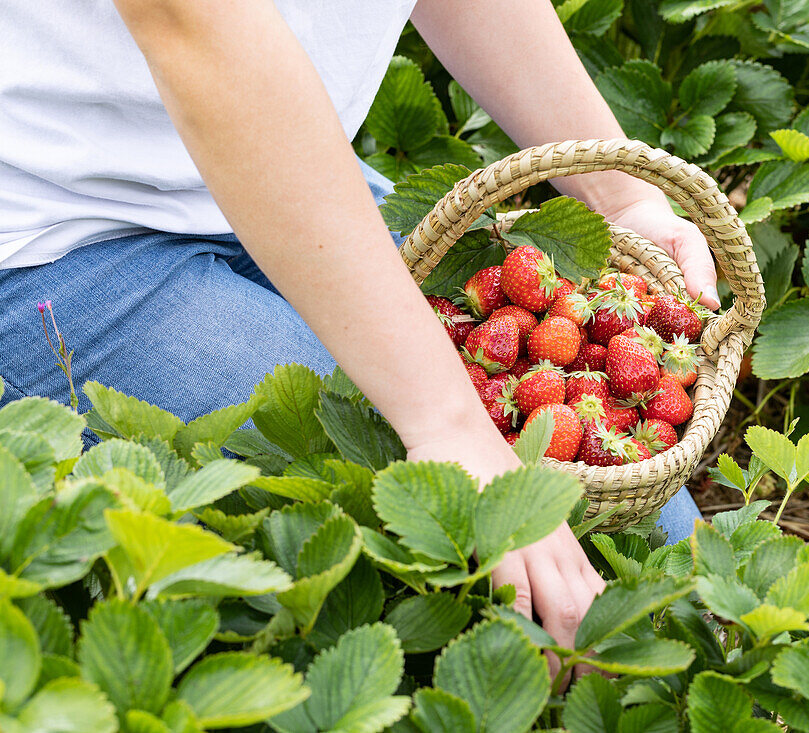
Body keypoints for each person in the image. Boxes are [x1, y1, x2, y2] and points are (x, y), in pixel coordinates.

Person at [0, 0, 715, 675]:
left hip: (298, 171)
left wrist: (623, 194)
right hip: (55, 228)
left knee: (663, 565)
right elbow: (194, 26)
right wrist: (447, 423)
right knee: (454, 550)